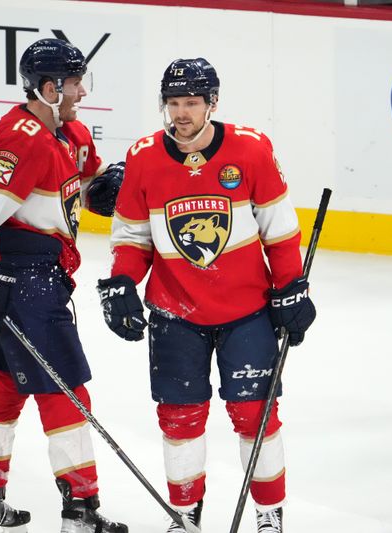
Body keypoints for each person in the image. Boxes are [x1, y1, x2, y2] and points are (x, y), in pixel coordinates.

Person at [96, 57, 315, 533]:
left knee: (255, 416)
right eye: (173, 103)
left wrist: (292, 287)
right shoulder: (143, 157)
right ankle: (185, 516)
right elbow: (133, 236)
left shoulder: (251, 150)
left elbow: (279, 230)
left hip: (247, 311)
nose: (180, 113)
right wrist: (121, 282)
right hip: (175, 313)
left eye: (191, 103)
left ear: (212, 103)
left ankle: (269, 515)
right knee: (179, 419)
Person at [0, 38, 126, 533]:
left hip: (40, 275)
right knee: (65, 391)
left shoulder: (71, 132)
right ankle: (81, 510)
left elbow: (86, 190)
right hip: (25, 278)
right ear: (49, 88)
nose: (82, 92)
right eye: (74, 84)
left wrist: (111, 186)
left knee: (1, 383)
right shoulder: (20, 140)